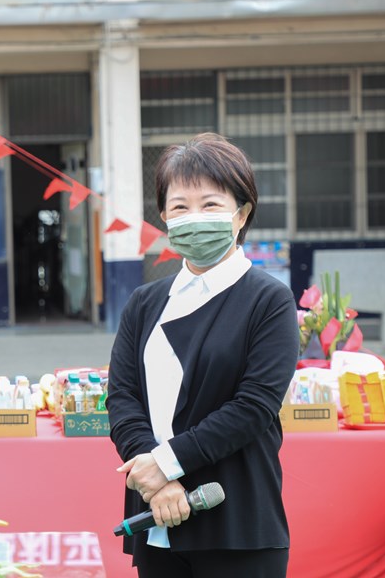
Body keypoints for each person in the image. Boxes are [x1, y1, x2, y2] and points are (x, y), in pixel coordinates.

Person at [106, 133, 299, 577]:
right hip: (155, 520)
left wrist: (165, 464)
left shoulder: (268, 300)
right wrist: (156, 483)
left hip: (237, 525)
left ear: (241, 213)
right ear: (164, 218)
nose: (194, 217)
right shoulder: (144, 302)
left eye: (210, 205)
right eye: (180, 207)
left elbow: (253, 407)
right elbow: (122, 398)